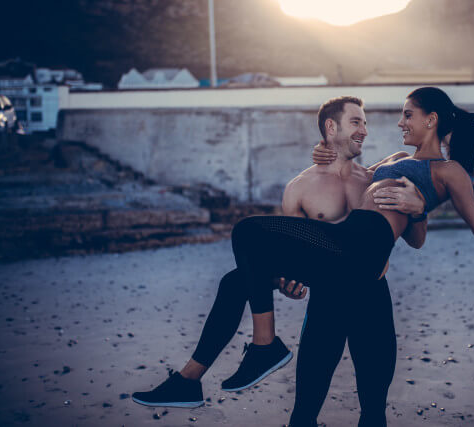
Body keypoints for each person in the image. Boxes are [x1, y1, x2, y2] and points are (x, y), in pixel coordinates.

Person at [227, 87, 474, 426]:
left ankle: (262, 346)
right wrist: (325, 149)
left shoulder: (449, 171)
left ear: (431, 120)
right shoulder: (393, 160)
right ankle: (262, 345)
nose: (400, 123)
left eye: (408, 115)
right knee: (304, 409)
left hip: (369, 287)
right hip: (334, 277)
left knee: (373, 409)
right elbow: (352, 173)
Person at [132, 97, 427, 426]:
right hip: (328, 302)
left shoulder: (374, 178)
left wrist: (419, 210)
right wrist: (285, 283)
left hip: (371, 299)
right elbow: (296, 264)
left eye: (365, 122)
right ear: (331, 127)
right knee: (303, 415)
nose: (365, 130)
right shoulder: (298, 189)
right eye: (356, 122)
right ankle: (204, 374)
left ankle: (212, 369)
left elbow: (416, 240)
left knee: (374, 412)